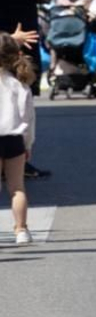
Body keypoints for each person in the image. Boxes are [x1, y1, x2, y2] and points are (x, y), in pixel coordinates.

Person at [0, 32, 35, 244]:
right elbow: (28, 118)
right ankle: (21, 230)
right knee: (17, 187)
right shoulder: (20, 84)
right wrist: (28, 143)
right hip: (14, 138)